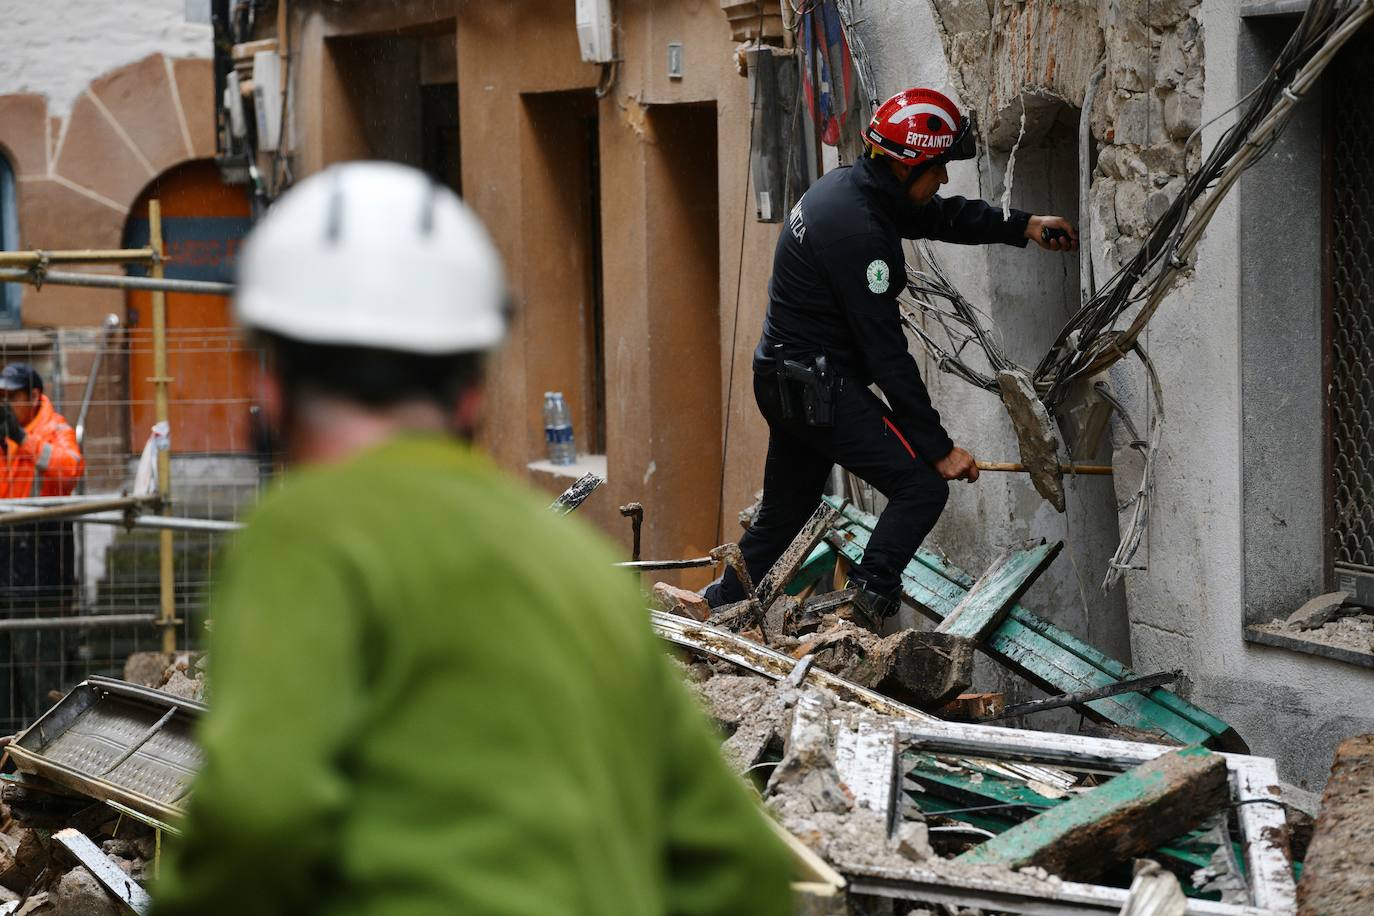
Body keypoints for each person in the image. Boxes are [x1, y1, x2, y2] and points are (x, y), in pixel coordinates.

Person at [153, 162, 792, 916]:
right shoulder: (573, 565)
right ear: (471, 391)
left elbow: (261, 821)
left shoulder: (305, 535)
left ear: (269, 385)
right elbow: (739, 863)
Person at [705, 87, 1078, 623]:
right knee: (921, 488)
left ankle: (716, 609)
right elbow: (888, 357)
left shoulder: (855, 192)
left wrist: (1022, 225)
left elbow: (941, 217)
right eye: (939, 167)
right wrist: (939, 447)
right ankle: (858, 614)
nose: (945, 178)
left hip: (787, 379)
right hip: (815, 389)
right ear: (906, 166)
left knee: (784, 517)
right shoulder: (859, 234)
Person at [0, 363, 84, 730]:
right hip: (7, 562)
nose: (5, 403)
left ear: (33, 397)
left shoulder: (54, 428)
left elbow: (71, 469)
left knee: (40, 668)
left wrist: (23, 438)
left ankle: (42, 758)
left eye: (12, 397)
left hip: (41, 565)